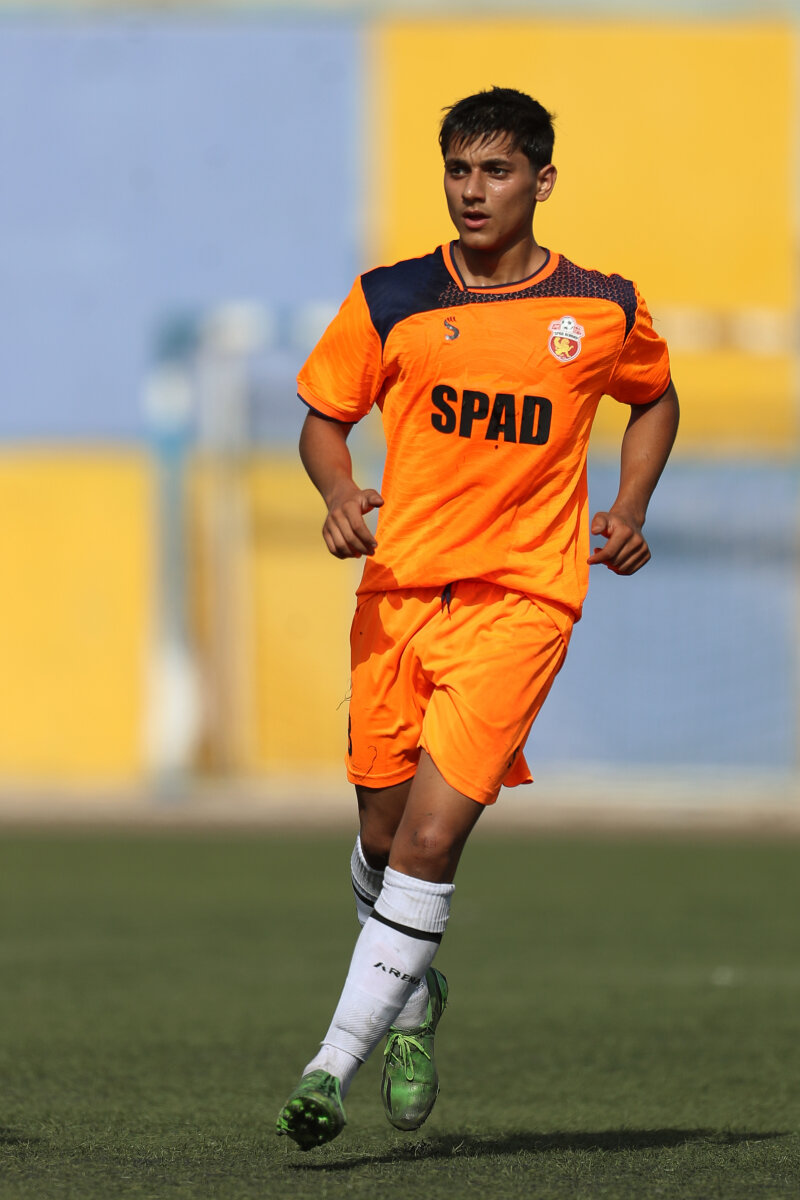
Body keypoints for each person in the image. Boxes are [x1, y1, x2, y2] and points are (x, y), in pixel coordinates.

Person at [276, 86, 679, 1150]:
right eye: (458, 170)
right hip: (399, 597)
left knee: (431, 836)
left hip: (523, 602)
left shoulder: (598, 307)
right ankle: (412, 1001)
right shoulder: (392, 296)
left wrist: (630, 505)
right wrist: (338, 492)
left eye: (495, 171)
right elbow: (322, 418)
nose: (472, 190)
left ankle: (327, 1069)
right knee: (380, 833)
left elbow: (654, 394)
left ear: (541, 181)